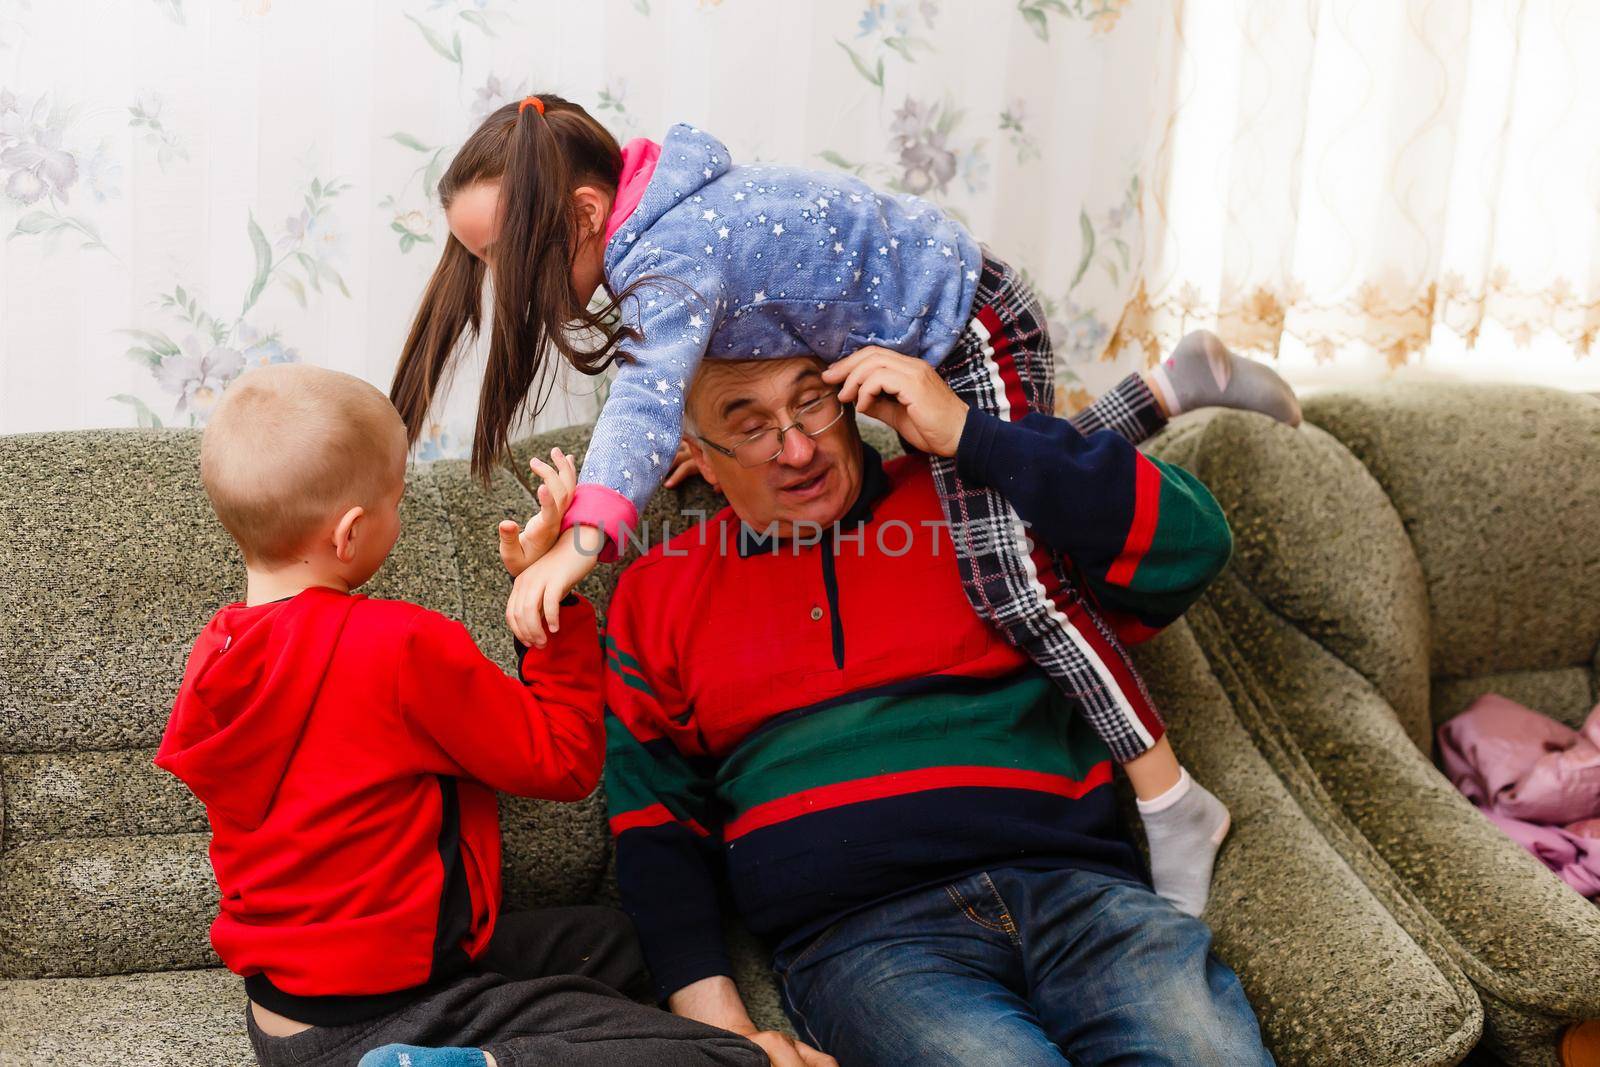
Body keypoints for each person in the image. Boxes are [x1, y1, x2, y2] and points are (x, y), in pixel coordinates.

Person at [389, 95, 1301, 915]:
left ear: (585, 213)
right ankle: (1175, 384)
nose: (500, 283)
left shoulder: (667, 257)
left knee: (1016, 584)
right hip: (940, 331)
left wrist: (581, 542)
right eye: (742, 427)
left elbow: (640, 396)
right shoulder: (678, 243)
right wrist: (672, 452)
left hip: (967, 324)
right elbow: (658, 396)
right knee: (1008, 510)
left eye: (497, 256)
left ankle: (1172, 800)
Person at [601, 349, 1275, 1066]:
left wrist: (971, 433)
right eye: (751, 427)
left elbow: (1194, 544)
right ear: (695, 453)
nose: (797, 449)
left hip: (1080, 895)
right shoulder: (656, 592)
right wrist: (730, 1037)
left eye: (811, 404)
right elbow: (655, 831)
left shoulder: (973, 495)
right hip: (865, 941)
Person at [155, 364, 765, 1067]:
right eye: (396, 500)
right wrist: (552, 602)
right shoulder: (398, 645)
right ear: (350, 534)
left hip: (288, 1019)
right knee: (732, 1058)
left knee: (620, 943)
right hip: (393, 1007)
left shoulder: (215, 652)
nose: (402, 515)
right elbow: (564, 760)